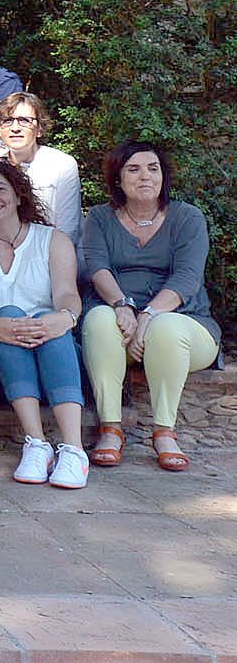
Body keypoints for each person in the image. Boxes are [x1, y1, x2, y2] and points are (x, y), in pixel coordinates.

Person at [80, 141, 218, 472]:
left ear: (163, 177)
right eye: (134, 169)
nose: (145, 176)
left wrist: (148, 316)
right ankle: (111, 429)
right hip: (120, 327)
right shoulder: (99, 218)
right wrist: (121, 305)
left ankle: (164, 431)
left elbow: (187, 278)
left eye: (153, 168)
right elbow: (97, 267)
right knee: (99, 318)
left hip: (185, 324)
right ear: (118, 179)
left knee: (165, 328)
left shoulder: (187, 218)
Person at [0, 160, 88, 488]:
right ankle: (36, 444)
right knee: (9, 312)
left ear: (17, 195)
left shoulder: (53, 240)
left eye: (0, 188)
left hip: (52, 350)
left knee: (49, 322)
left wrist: (64, 319)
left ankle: (73, 449)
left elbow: (68, 294)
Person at [0, 94, 82, 243]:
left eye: (24, 121)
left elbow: (69, 228)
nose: (15, 128)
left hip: (53, 249)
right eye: (7, 121)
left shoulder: (62, 164)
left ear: (39, 129)